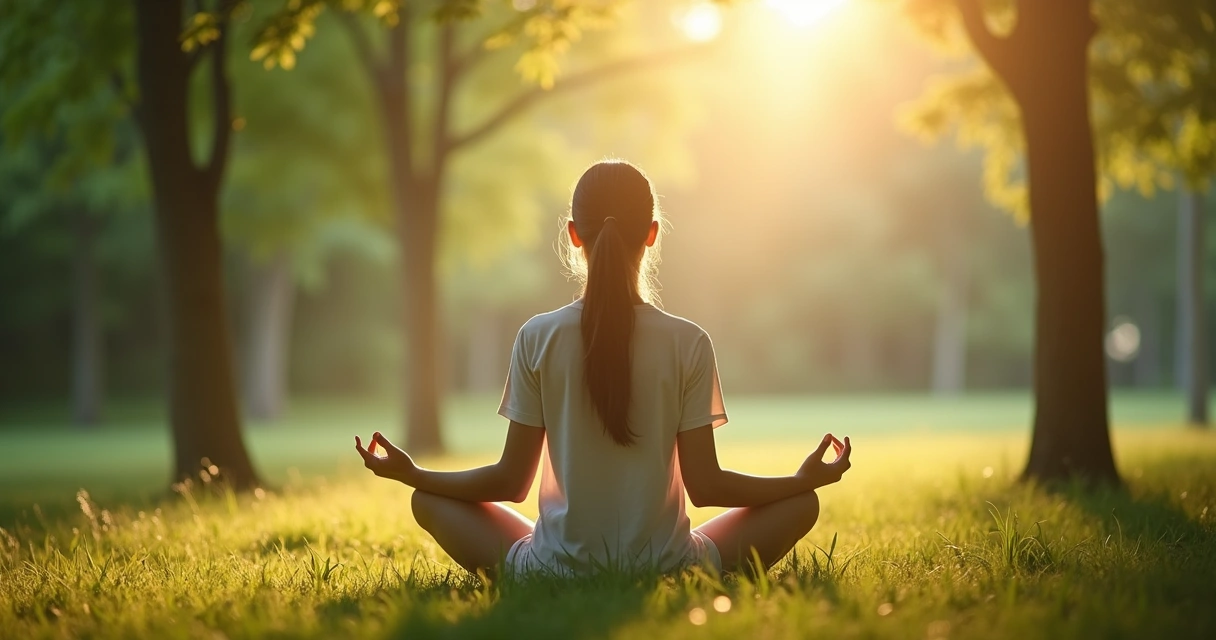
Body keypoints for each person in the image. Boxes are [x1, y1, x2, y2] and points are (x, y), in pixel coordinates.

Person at [355, 159, 852, 578]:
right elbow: (708, 487)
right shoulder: (689, 342)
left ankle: (551, 554)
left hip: (551, 570)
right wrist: (800, 479)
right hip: (670, 568)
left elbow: (510, 482)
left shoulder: (538, 336)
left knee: (426, 498)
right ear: (652, 235)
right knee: (802, 503)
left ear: (574, 235)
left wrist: (413, 472)